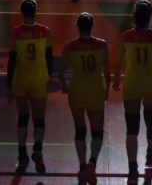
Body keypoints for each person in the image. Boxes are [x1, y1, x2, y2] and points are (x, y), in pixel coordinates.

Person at [112, 0, 152, 182]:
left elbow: (119, 62)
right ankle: (151, 152)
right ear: (150, 17)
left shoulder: (126, 36)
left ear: (134, 16)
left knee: (131, 128)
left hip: (132, 85)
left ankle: (132, 167)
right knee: (151, 121)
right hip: (150, 85)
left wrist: (117, 80)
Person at [58, 12, 110, 184]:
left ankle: (81, 167)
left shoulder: (70, 46)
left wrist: (66, 86)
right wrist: (106, 89)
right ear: (92, 26)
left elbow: (61, 71)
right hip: (95, 90)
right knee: (97, 131)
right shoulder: (101, 45)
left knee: (80, 130)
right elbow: (107, 72)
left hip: (77, 90)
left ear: (78, 27)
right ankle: (92, 163)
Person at [7, 0, 53, 175]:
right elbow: (49, 57)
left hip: (20, 80)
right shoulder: (45, 31)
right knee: (39, 119)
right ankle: (38, 150)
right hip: (39, 80)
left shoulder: (15, 33)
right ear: (35, 12)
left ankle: (22, 153)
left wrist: (10, 85)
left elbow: (11, 61)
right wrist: (47, 76)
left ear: (21, 12)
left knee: (23, 117)